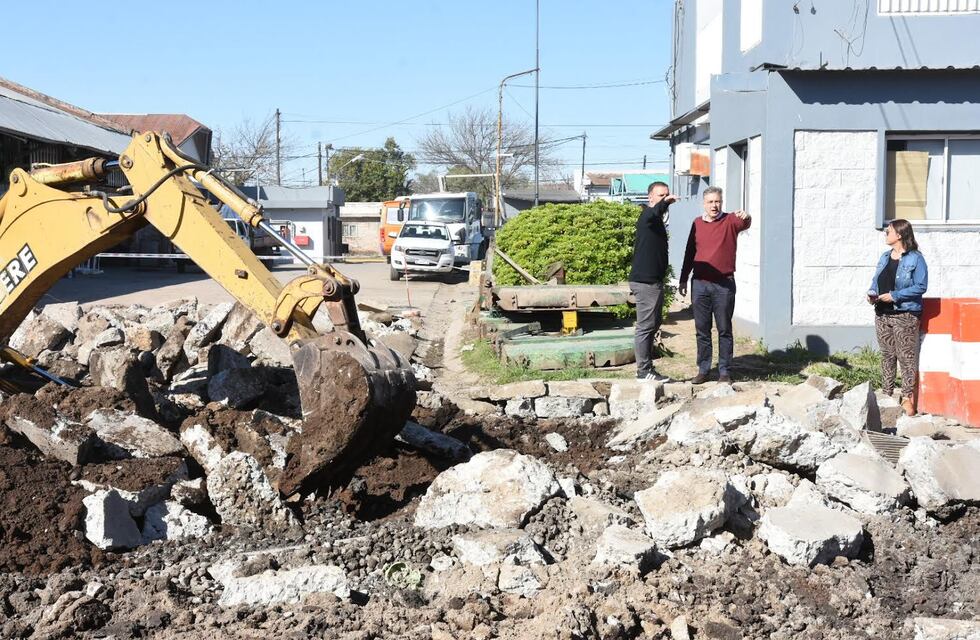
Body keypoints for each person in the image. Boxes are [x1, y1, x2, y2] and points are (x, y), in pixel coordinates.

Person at [678, 187, 751, 384]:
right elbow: (689, 252)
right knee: (702, 329)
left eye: (717, 201)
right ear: (704, 203)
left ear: (721, 202)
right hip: (700, 284)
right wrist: (683, 278)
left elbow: (745, 222)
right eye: (710, 202)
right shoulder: (697, 223)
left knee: (724, 329)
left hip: (723, 284)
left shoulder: (730, 221)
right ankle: (703, 369)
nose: (714, 205)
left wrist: (746, 216)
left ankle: (725, 371)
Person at [867, 219, 928, 417]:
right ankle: (887, 395)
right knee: (887, 356)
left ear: (899, 235)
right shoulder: (885, 257)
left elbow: (921, 286)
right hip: (882, 313)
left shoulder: (915, 259)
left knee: (906, 358)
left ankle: (907, 398)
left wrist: (895, 296)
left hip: (905, 315)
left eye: (889, 231)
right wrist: (872, 293)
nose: (886, 233)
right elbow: (877, 281)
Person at [629, 181, 678, 381]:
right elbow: (654, 212)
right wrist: (665, 203)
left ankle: (647, 368)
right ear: (650, 198)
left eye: (666, 195)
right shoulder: (647, 216)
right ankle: (643, 371)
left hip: (654, 281)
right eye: (660, 195)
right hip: (645, 282)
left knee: (653, 324)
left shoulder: (657, 220)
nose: (664, 198)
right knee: (645, 326)